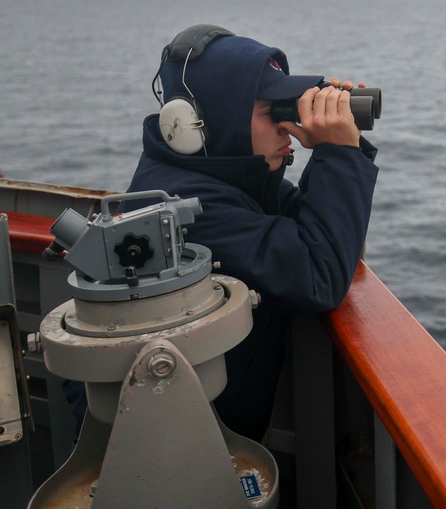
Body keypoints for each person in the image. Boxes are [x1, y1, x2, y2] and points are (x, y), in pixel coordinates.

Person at [65, 24, 378, 441]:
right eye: (273, 112)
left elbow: (318, 232)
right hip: (174, 445)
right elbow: (319, 275)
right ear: (196, 122)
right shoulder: (189, 208)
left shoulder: (223, 177)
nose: (287, 127)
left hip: (198, 427)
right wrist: (338, 154)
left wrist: (341, 147)